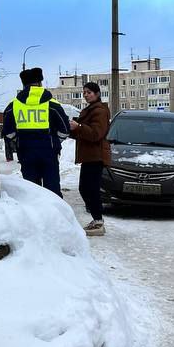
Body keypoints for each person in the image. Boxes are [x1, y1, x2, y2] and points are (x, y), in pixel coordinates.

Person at [1, 67, 69, 195]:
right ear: (40, 83)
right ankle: (54, 215)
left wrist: (19, 140)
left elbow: (7, 131)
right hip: (49, 152)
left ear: (24, 84)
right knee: (52, 192)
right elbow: (65, 130)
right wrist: (54, 141)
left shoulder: (13, 105)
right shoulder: (52, 104)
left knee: (32, 193)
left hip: (26, 153)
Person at [69, 81, 111, 236]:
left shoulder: (99, 110)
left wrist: (78, 127)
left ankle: (98, 222)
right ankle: (97, 219)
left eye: (89, 92)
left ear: (97, 94)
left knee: (90, 189)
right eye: (84, 92)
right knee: (85, 188)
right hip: (89, 156)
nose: (86, 95)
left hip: (96, 156)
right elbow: (84, 132)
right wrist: (73, 129)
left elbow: (96, 134)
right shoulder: (89, 110)